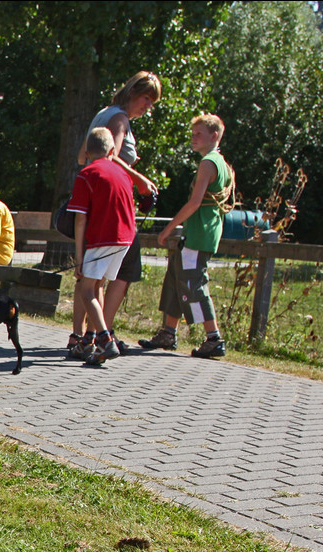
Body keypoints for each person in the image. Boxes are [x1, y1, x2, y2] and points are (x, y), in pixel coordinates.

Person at [69, 71, 162, 355]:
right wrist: (140, 180)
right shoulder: (119, 119)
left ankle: (83, 335)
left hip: (94, 206)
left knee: (89, 278)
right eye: (147, 99)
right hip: (114, 210)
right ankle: (102, 334)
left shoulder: (103, 113)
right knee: (117, 275)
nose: (148, 107)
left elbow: (83, 156)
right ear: (133, 92)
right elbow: (112, 160)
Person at [141, 114, 234, 358]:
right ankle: (168, 333)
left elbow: (194, 203)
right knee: (176, 277)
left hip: (199, 233)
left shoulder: (208, 164)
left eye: (198, 134)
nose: (193, 139)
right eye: (192, 134)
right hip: (205, 230)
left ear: (214, 135)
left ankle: (213, 338)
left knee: (193, 283)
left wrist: (168, 228)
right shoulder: (221, 163)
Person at [69, 127, 137, 364]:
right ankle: (91, 343)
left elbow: (80, 219)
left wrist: (79, 256)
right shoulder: (123, 173)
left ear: (87, 152)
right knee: (98, 285)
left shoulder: (87, 174)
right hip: (126, 238)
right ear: (112, 150)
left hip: (102, 237)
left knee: (86, 290)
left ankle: (106, 340)